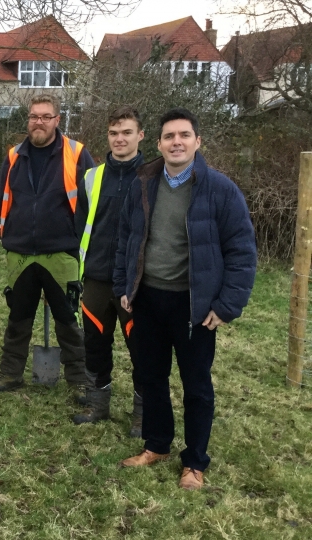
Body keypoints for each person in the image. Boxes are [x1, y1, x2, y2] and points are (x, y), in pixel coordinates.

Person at [115, 108, 256, 490]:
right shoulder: (143, 183)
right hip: (147, 299)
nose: (176, 142)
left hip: (195, 307)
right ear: (158, 143)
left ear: (198, 142)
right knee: (151, 376)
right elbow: (126, 239)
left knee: (196, 385)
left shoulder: (220, 189)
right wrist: (124, 287)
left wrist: (227, 306)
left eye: (184, 135)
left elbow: (242, 252)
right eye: (169, 136)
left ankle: (194, 462)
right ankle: (157, 444)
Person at [0, 94, 95, 392]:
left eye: (46, 117)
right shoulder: (13, 156)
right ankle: (10, 373)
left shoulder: (76, 154)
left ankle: (79, 380)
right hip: (20, 252)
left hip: (61, 252)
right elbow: (2, 198)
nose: (39, 122)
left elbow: (90, 200)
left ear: (58, 120)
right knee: (18, 318)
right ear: (28, 119)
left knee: (68, 320)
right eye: (34, 116)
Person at [73, 106, 145, 435]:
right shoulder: (92, 176)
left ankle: (145, 411)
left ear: (140, 136)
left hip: (138, 280)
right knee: (95, 342)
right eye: (114, 133)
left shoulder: (154, 175)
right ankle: (97, 403)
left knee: (143, 347)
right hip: (98, 277)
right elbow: (81, 224)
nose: (120, 139)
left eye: (127, 132)